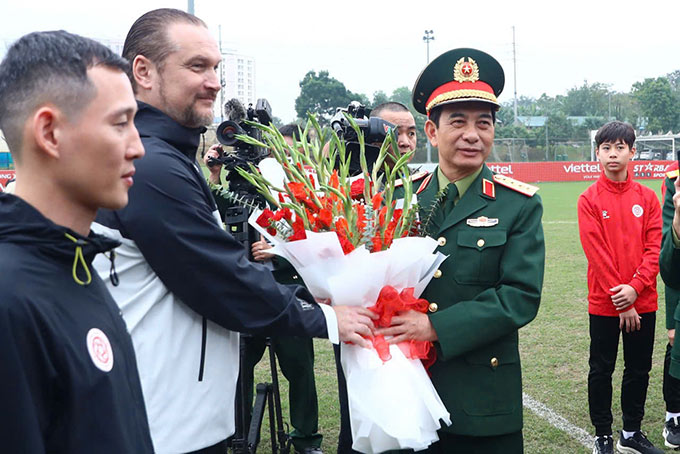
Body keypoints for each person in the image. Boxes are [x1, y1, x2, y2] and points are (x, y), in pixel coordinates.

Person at [90, 9, 376, 454]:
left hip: (175, 420)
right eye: (196, 66)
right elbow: (222, 279)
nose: (214, 83)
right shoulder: (151, 165)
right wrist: (326, 317)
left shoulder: (165, 156)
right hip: (160, 428)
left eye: (216, 68)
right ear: (143, 72)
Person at [378, 48, 545, 454]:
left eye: (483, 123)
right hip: (406, 390)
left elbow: (520, 296)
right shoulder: (400, 198)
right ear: (432, 131)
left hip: (483, 402)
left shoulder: (518, 204)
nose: (473, 134)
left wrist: (435, 327)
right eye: (458, 121)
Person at [0, 30, 153, 453]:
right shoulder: (11, 300)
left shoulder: (76, 263)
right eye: (120, 124)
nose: (138, 148)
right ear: (49, 133)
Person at [205, 123, 325, 454]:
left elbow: (319, 240)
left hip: (286, 291)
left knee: (299, 368)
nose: (282, 156)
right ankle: (238, 432)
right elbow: (218, 214)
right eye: (276, 150)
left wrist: (279, 253)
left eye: (288, 150)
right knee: (239, 368)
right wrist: (215, 175)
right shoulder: (246, 183)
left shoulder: (306, 190)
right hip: (246, 291)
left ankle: (306, 438)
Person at [577, 121, 662, 454]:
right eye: (606, 148)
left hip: (644, 301)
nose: (613, 154)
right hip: (605, 303)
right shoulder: (588, 199)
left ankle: (631, 433)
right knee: (601, 369)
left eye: (620, 147)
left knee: (639, 368)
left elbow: (654, 250)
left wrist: (636, 289)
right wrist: (623, 299)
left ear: (632, 152)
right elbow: (596, 253)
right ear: (597, 154)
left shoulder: (648, 198)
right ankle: (602, 435)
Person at [659, 162, 680, 449]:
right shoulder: (674, 180)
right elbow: (671, 261)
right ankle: (674, 416)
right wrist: (672, 321)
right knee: (676, 347)